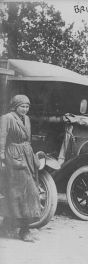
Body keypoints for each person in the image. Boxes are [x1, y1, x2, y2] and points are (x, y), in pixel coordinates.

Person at [0, 95, 41, 242]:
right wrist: (2, 158)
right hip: (13, 158)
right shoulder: (7, 118)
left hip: (27, 156)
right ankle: (23, 230)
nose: (24, 109)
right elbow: (2, 138)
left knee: (29, 193)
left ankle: (12, 227)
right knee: (18, 194)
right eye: (22, 106)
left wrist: (32, 156)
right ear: (15, 106)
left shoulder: (27, 119)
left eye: (27, 106)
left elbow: (27, 140)